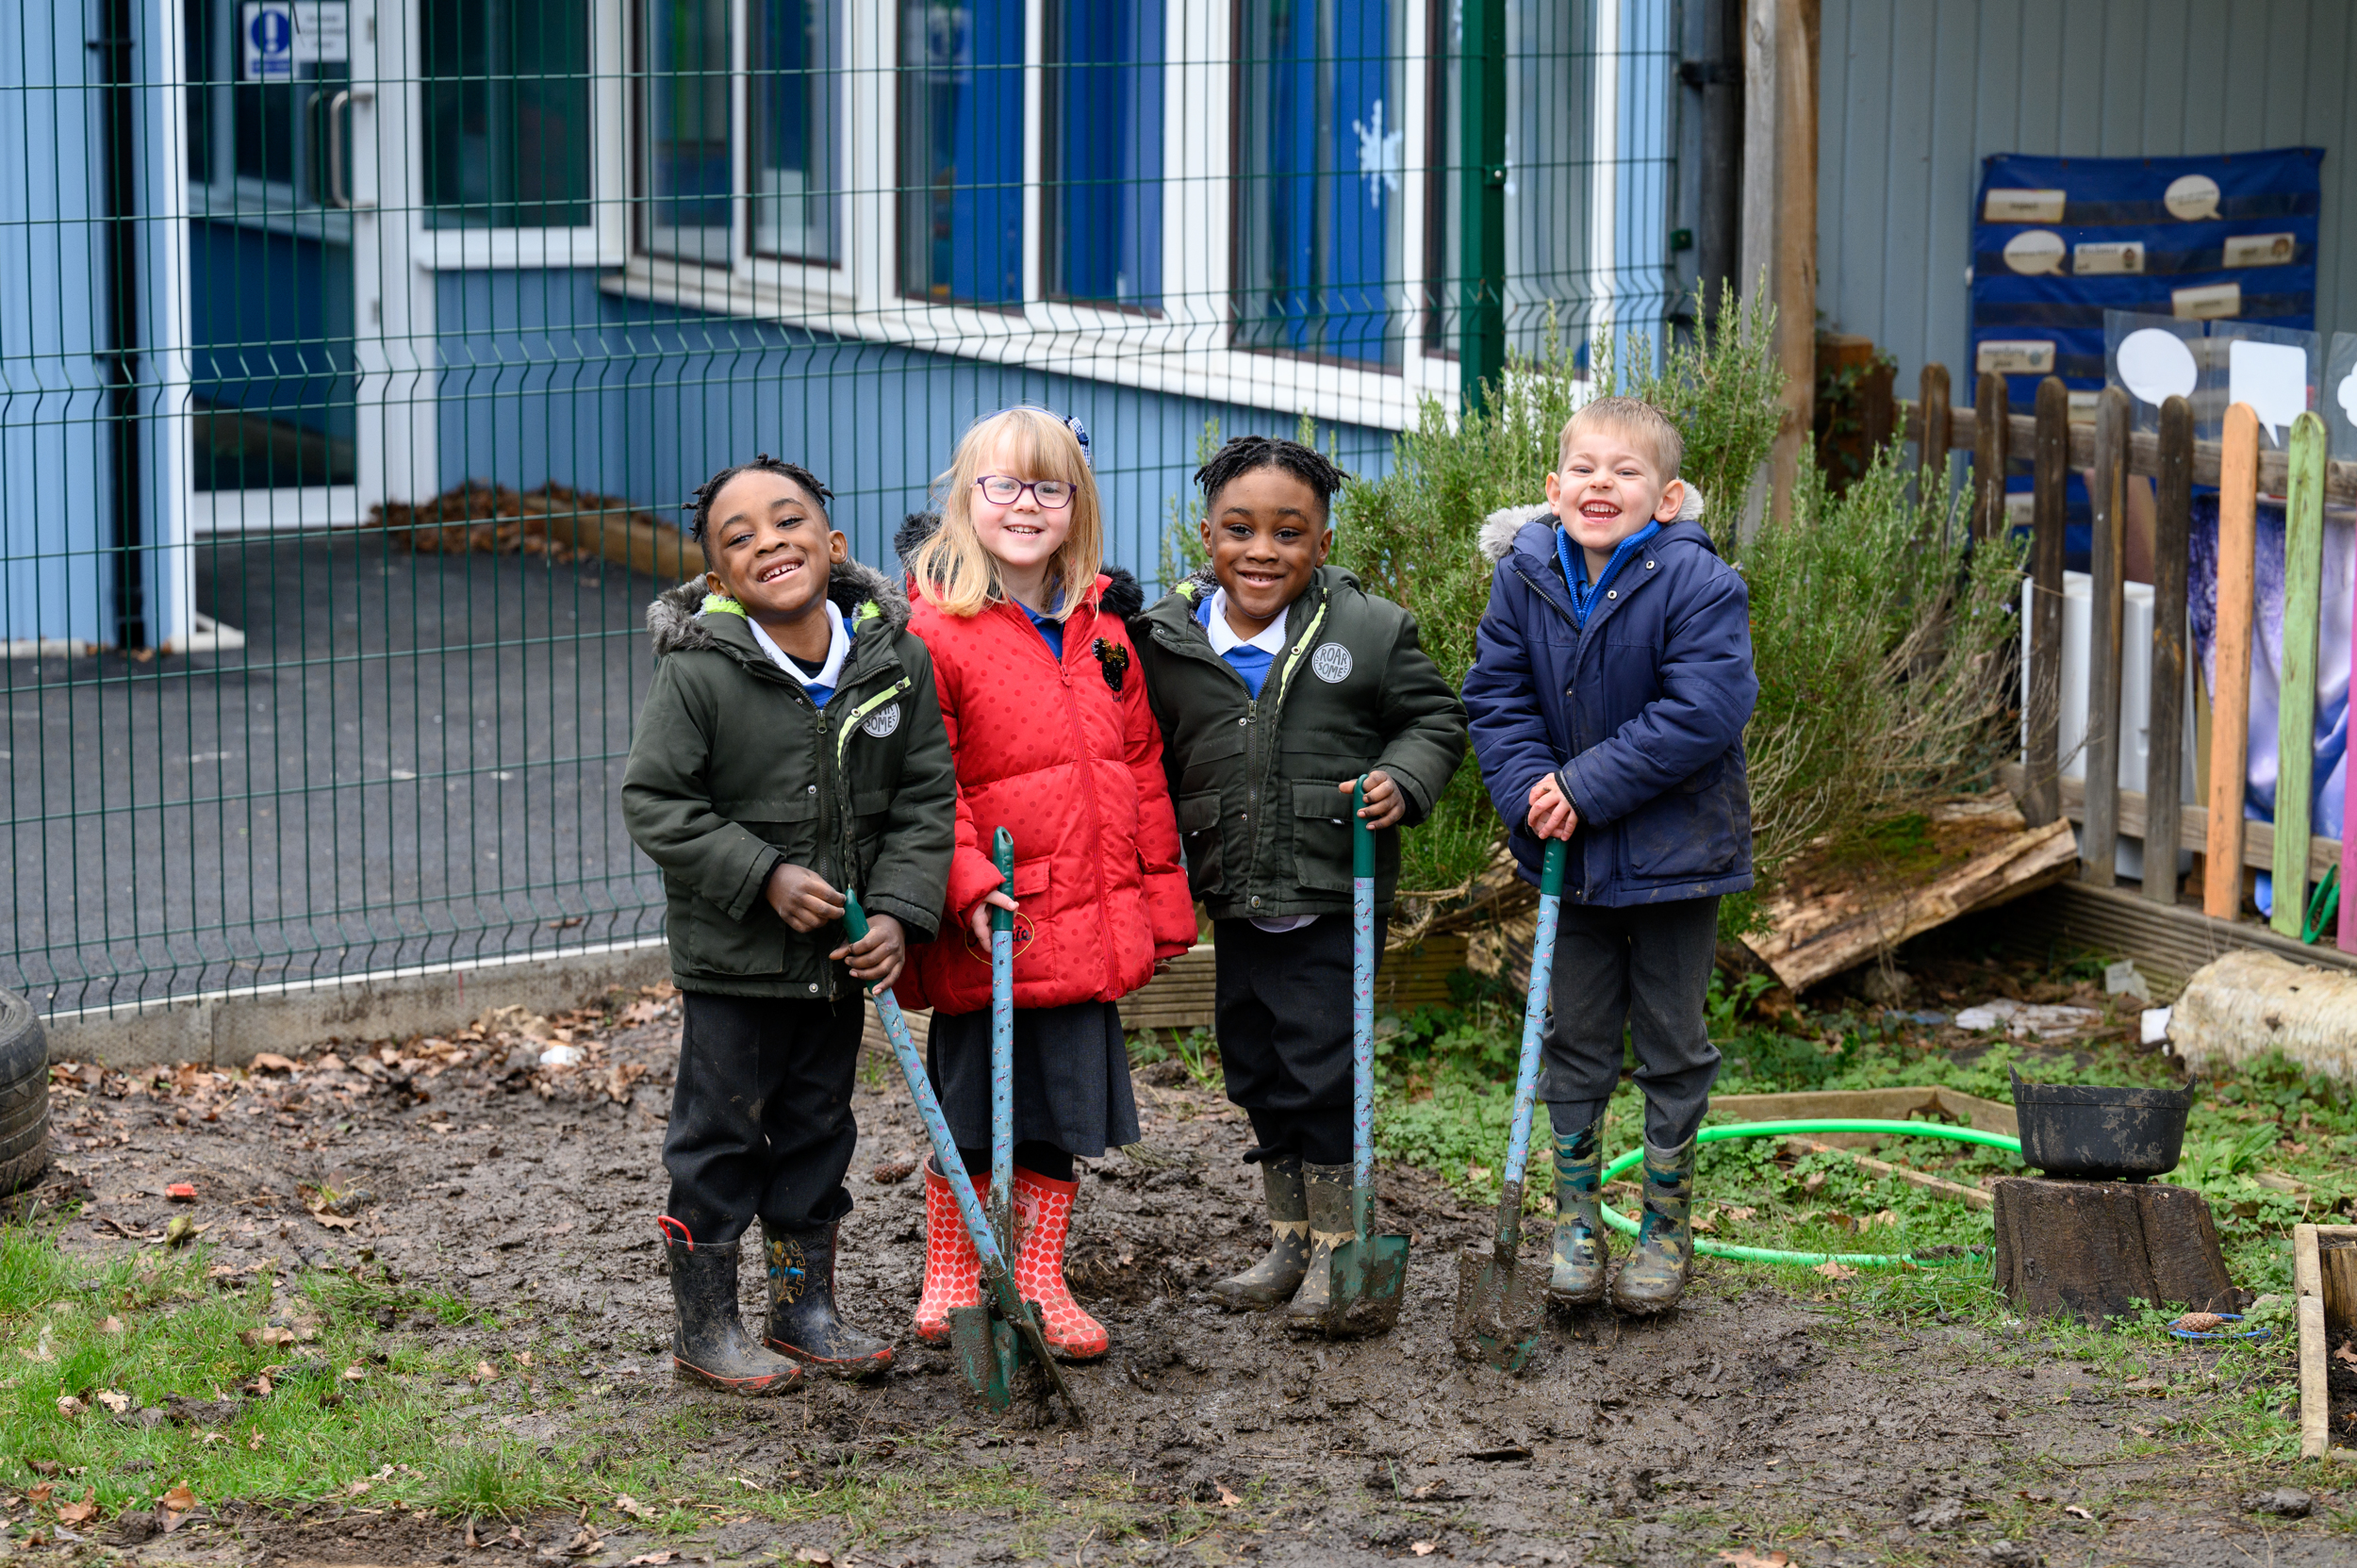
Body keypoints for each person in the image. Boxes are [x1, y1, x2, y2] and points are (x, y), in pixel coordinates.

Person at [622, 455, 956, 1393]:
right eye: (740, 537)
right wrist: (763, 875)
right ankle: (709, 1325)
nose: (769, 541)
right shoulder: (701, 673)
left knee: (817, 1131)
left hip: (837, 964)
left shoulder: (894, 662)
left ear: (832, 544)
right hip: (733, 961)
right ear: (719, 577)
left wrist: (896, 911)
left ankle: (801, 1305)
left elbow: (927, 801)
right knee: (719, 1135)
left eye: (787, 521)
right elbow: (656, 802)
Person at [1130, 436, 1465, 1325]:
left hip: (1332, 894)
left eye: (1289, 531)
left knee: (1324, 1070)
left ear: (1321, 543)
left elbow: (1434, 720)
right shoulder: (1166, 640)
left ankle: (1340, 1245)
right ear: (1207, 535)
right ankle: (1290, 1233)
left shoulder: (1369, 630)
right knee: (1255, 1065)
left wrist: (1406, 775)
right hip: (1234, 895)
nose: (1262, 551)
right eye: (1240, 529)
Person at [892, 407, 1196, 1361]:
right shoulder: (933, 632)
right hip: (996, 918)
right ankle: (952, 1267)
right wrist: (969, 882)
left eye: (1048, 487)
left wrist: (1157, 896)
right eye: (1004, 486)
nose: (1026, 505)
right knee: (975, 1100)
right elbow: (922, 780)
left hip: (1086, 915)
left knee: (1060, 1105)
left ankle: (1037, 1276)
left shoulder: (1105, 631)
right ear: (966, 499)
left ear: (1077, 503)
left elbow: (1140, 763)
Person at [1460, 397, 1756, 1315]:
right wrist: (1528, 792)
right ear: (1552, 491)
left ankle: (1665, 1227)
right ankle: (1576, 1223)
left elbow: (1702, 712)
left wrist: (1584, 784)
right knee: (1574, 1037)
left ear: (1666, 498)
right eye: (1583, 469)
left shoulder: (1699, 585)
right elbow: (1496, 696)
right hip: (1569, 862)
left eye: (1625, 472)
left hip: (1676, 860)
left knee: (1670, 1043)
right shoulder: (1525, 578)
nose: (1601, 484)